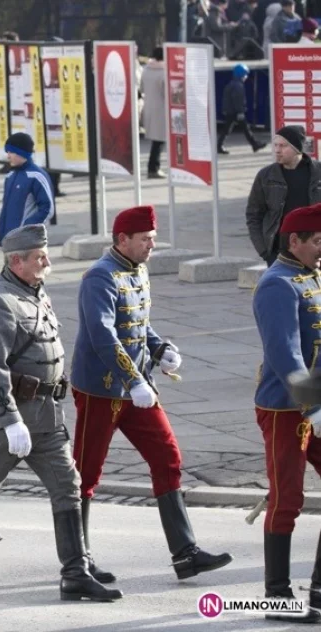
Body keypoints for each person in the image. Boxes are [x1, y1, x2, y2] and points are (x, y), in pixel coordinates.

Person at [0, 224, 123, 602]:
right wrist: (9, 419)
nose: (47, 261)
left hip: (46, 418)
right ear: (17, 261)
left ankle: (75, 573)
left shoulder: (34, 292)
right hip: (8, 420)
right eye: (39, 257)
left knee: (68, 486)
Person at [71, 204, 233, 582]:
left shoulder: (137, 270)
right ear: (122, 239)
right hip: (101, 390)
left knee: (167, 457)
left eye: (153, 240)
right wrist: (134, 380)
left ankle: (185, 553)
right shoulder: (99, 277)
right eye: (146, 240)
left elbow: (138, 323)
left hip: (136, 388)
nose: (151, 247)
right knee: (86, 473)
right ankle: (78, 560)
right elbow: (102, 335)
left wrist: (160, 348)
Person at [252, 203, 321, 624]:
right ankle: (277, 597)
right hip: (285, 408)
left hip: (314, 405)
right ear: (293, 241)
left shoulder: (310, 277)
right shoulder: (278, 285)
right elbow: (286, 353)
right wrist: (311, 407)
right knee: (287, 499)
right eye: (317, 242)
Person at [246, 126, 321, 264]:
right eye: (276, 145)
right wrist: (264, 251)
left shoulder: (317, 173)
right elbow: (253, 215)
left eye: (283, 146)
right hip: (279, 253)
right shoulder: (266, 176)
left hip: (315, 250)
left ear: (297, 148)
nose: (277, 150)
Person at [0, 132, 54, 244]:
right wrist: (1, 232)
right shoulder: (10, 176)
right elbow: (5, 209)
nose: (8, 156)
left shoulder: (36, 176)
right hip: (9, 241)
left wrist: (26, 229)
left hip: (28, 242)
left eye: (11, 152)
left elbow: (47, 208)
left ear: (21, 152)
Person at [217, 64, 267, 154]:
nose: (246, 77)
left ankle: (254, 144)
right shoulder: (238, 86)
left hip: (230, 111)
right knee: (243, 129)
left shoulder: (231, 84)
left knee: (232, 129)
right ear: (242, 75)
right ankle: (254, 144)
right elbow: (238, 100)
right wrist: (240, 112)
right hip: (235, 111)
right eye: (245, 74)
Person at [140, 48, 167, 178]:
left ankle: (153, 167)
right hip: (161, 109)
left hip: (149, 107)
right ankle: (153, 168)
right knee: (159, 140)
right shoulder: (164, 72)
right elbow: (167, 93)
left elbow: (142, 88)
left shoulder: (145, 70)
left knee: (156, 140)